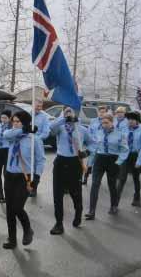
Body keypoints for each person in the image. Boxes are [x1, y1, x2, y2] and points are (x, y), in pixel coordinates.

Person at [1, 111, 45, 249]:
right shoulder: (12, 135)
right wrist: (21, 129)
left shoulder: (34, 139)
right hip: (9, 175)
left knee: (17, 207)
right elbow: (5, 134)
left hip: (24, 177)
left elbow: (40, 160)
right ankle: (12, 239)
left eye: (18, 121)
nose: (15, 124)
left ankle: (27, 229)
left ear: (25, 122)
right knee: (9, 210)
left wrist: (36, 178)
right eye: (13, 121)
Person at [48, 107, 91, 235]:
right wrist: (63, 119)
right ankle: (59, 223)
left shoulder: (82, 129)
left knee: (75, 192)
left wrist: (86, 152)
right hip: (61, 162)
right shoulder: (60, 128)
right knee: (57, 194)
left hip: (75, 163)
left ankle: (78, 213)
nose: (68, 113)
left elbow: (94, 143)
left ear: (76, 113)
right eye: (65, 111)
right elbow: (51, 128)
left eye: (70, 111)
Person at [87, 114, 129, 219]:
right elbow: (94, 147)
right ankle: (91, 211)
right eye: (102, 123)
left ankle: (113, 205)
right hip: (99, 159)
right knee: (95, 184)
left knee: (112, 184)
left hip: (112, 160)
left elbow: (124, 149)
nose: (104, 125)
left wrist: (119, 162)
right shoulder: (98, 132)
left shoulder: (120, 134)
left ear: (112, 122)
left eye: (106, 123)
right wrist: (89, 162)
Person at [117, 112, 141, 208]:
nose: (130, 121)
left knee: (135, 177)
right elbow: (119, 143)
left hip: (136, 155)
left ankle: (137, 198)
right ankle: (115, 203)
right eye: (128, 119)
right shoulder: (123, 129)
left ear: (137, 121)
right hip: (125, 155)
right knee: (122, 179)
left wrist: (140, 161)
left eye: (132, 119)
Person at [29, 99, 50, 197]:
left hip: (38, 141)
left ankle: (35, 185)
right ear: (33, 105)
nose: (38, 108)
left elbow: (46, 132)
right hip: (27, 141)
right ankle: (28, 185)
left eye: (40, 107)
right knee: (29, 162)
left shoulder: (45, 117)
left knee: (39, 162)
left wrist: (37, 138)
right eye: (37, 106)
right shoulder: (28, 115)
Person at [84, 106, 109, 185]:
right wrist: (93, 139)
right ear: (98, 112)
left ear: (106, 113)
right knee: (89, 163)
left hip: (102, 147)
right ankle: (85, 178)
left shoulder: (107, 122)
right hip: (93, 145)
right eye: (100, 112)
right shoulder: (93, 121)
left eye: (103, 112)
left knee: (99, 165)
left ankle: (98, 179)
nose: (101, 113)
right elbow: (89, 132)